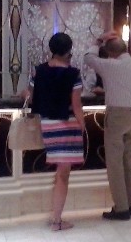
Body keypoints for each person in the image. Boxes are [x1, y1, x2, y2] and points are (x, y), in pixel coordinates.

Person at [25, 32, 85, 231]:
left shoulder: (38, 71)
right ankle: (56, 220)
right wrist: (83, 126)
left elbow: (30, 95)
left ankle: (56, 218)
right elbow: (76, 106)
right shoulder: (73, 74)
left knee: (61, 172)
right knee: (63, 174)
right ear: (69, 50)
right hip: (67, 126)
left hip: (48, 125)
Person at [83, 31, 131, 221]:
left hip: (116, 116)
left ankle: (121, 208)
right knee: (128, 162)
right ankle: (130, 204)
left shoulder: (110, 65)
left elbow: (88, 58)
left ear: (110, 53)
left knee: (115, 163)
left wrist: (98, 40)